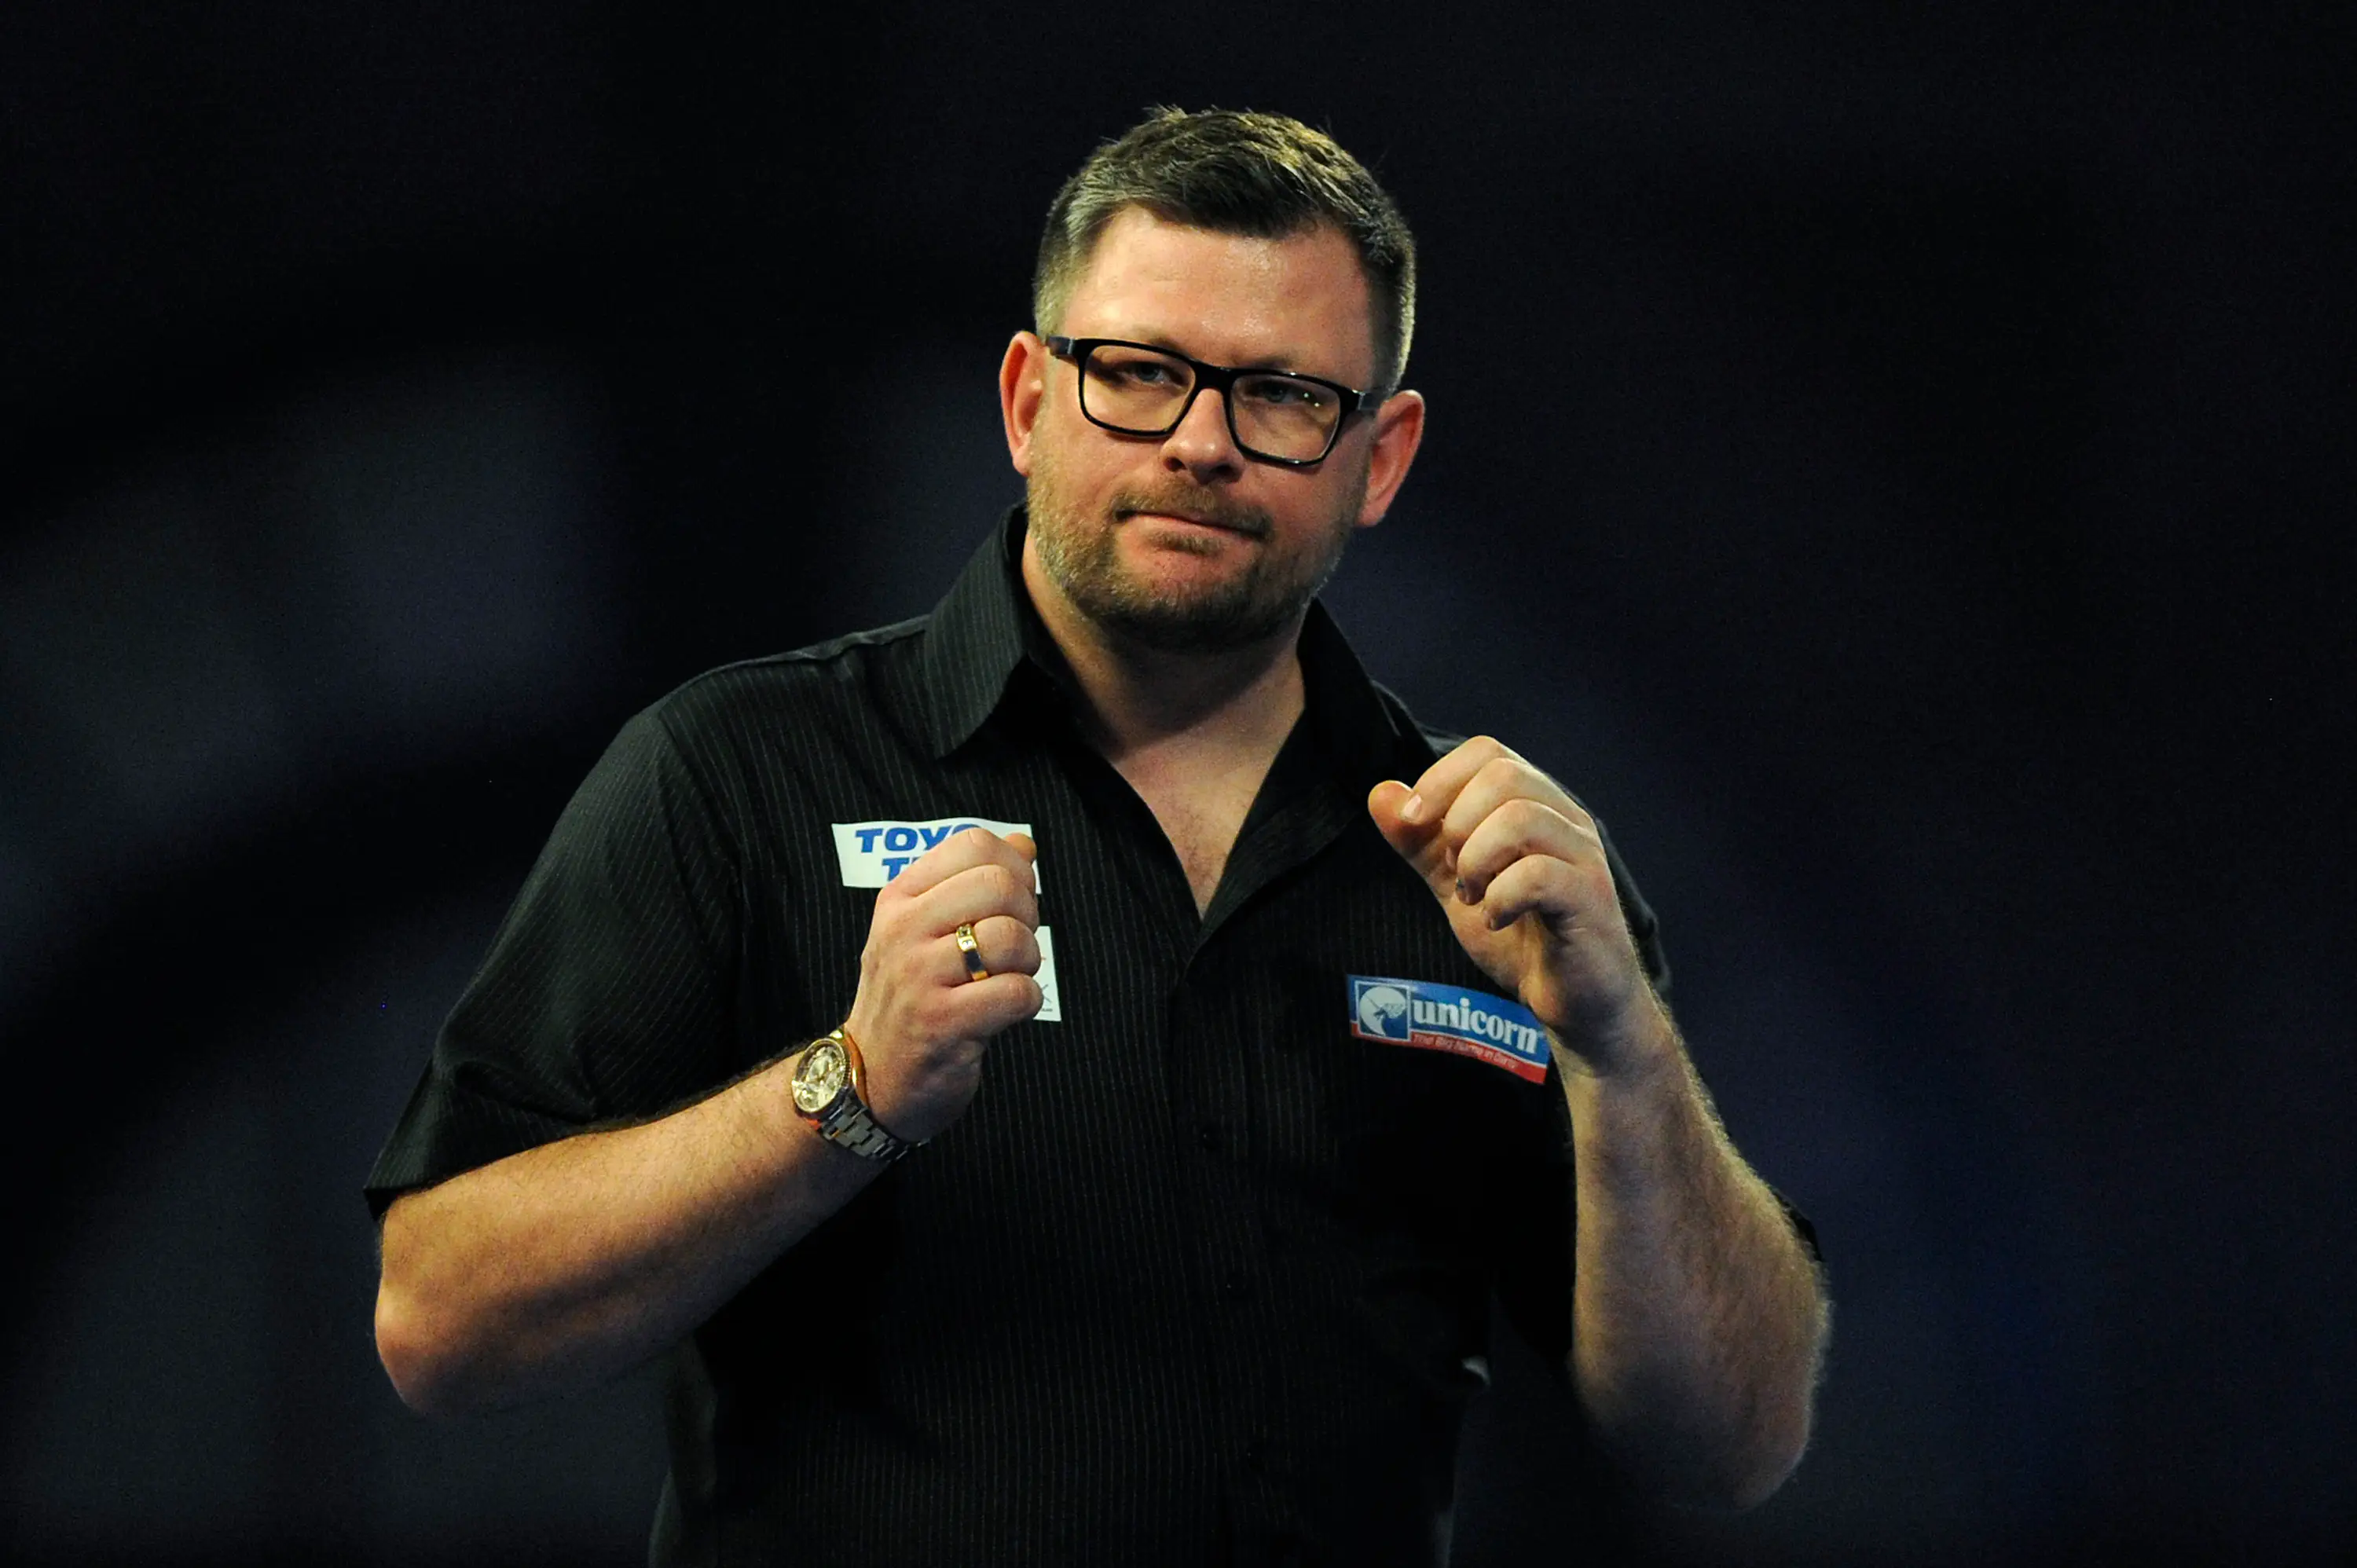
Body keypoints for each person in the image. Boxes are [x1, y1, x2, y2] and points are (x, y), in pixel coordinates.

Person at [368, 107, 1829, 1566]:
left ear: (1380, 457)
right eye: (1136, 374)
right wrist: (848, 1090)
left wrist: (1622, 1054)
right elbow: (440, 1323)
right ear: (1024, 401)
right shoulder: (739, 772)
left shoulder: (1496, 868)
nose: (1201, 442)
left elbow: (1735, 1442)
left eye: (1281, 397)